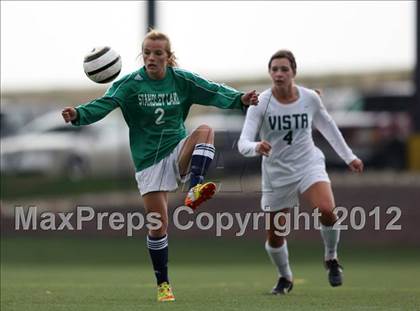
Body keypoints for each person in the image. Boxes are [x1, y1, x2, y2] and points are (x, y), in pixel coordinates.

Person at [62, 30, 258, 302]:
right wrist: (78, 114)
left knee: (204, 130)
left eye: (157, 53)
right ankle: (163, 284)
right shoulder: (130, 84)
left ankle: (194, 187)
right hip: (148, 161)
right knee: (158, 225)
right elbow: (103, 104)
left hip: (177, 148)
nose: (151, 58)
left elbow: (213, 90)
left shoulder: (181, 80)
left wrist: (240, 99)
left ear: (169, 56)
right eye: (146, 53)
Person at [238, 50, 363, 295]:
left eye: (284, 69)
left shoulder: (309, 98)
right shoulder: (260, 103)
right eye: (274, 69)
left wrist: (349, 157)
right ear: (269, 73)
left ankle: (331, 258)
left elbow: (327, 126)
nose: (279, 74)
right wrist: (256, 147)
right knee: (275, 237)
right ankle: (285, 277)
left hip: (308, 164)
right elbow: (243, 142)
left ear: (294, 72)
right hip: (276, 173)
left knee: (327, 210)